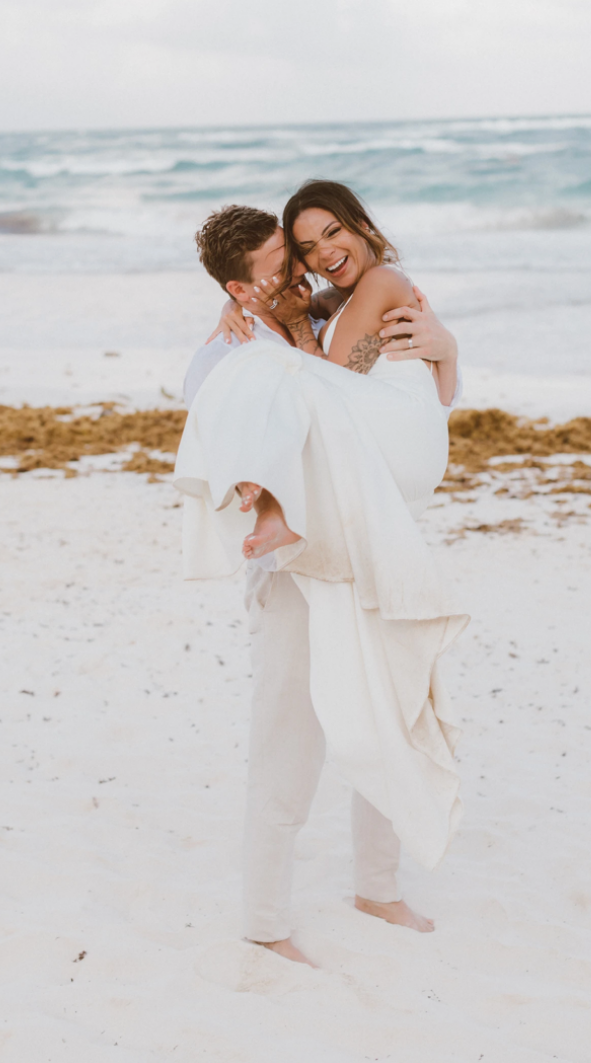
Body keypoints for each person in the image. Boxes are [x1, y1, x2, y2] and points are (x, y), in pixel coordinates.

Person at [176, 190, 468, 966]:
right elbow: (216, 410)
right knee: (290, 738)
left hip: (371, 546)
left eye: (299, 254)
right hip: (296, 573)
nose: (301, 272)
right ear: (240, 289)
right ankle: (265, 921)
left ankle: (377, 885)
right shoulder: (233, 349)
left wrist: (446, 348)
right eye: (284, 265)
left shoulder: (327, 313)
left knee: (389, 712)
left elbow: (405, 401)